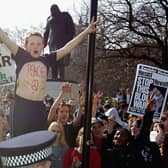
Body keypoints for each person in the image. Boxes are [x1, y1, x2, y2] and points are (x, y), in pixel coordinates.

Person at [0, 17, 96, 137]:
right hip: (21, 106)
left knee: (37, 141)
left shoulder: (47, 59)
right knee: (20, 142)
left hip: (38, 106)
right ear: (26, 45)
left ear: (43, 46)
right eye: (32, 43)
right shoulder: (21, 55)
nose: (36, 46)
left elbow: (67, 48)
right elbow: (5, 39)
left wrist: (86, 31)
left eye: (39, 44)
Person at [43, 4, 75, 80]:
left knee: (61, 62)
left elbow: (71, 29)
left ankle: (61, 78)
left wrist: (69, 40)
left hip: (63, 42)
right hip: (53, 43)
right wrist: (43, 43)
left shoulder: (65, 16)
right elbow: (47, 32)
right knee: (53, 62)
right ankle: (54, 78)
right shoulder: (49, 19)